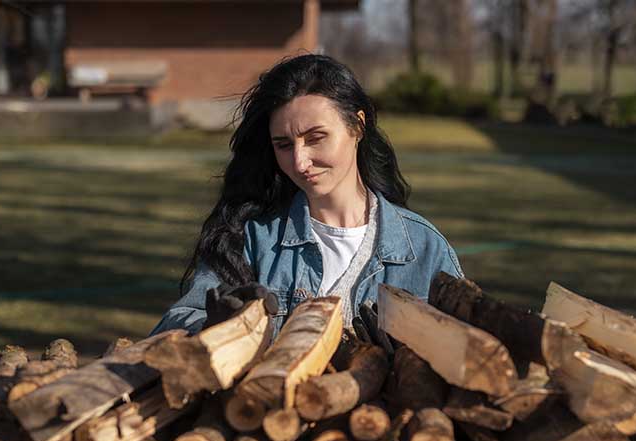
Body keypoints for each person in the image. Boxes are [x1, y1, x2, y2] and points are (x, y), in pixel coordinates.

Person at [149, 54, 463, 339]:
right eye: (284, 145)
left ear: (357, 126)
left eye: (315, 138)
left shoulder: (424, 248)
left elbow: (470, 356)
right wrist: (216, 329)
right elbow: (174, 325)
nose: (299, 162)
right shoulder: (251, 240)